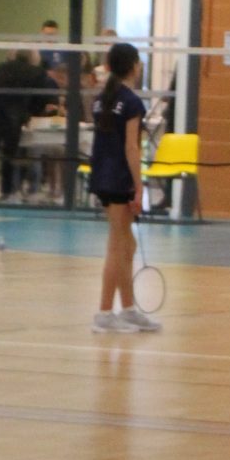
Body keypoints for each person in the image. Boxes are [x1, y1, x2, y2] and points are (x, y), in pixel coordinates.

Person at [90, 41, 159, 334]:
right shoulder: (130, 102)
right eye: (138, 61)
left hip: (102, 175)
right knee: (118, 247)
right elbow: (132, 147)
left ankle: (128, 310)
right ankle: (104, 313)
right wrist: (139, 186)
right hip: (119, 177)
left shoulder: (101, 99)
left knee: (127, 245)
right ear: (133, 66)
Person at [0, 49, 56, 200]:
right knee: (9, 152)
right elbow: (39, 97)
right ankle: (6, 190)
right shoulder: (37, 72)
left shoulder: (2, 67)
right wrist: (32, 113)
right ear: (33, 58)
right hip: (13, 114)